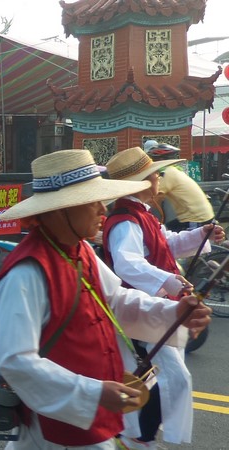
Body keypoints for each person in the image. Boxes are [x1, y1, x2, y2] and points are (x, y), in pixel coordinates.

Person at [0, 150, 212, 449]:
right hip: (58, 428)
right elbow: (16, 361)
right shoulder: (26, 272)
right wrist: (93, 392)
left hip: (89, 416)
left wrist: (174, 312)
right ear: (60, 210)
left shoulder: (80, 250)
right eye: (92, 201)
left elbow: (115, 301)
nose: (102, 209)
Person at [102, 146, 224, 448]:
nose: (159, 178)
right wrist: (168, 280)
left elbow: (166, 243)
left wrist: (201, 235)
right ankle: (138, 436)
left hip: (156, 306)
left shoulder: (142, 215)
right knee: (174, 377)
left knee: (151, 376)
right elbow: (127, 263)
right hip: (141, 308)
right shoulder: (126, 220)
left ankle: (135, 433)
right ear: (143, 182)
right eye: (155, 174)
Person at [143, 140, 213, 232]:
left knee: (164, 235)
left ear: (159, 160)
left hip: (195, 219)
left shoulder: (167, 173)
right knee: (165, 230)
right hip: (199, 215)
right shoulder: (174, 171)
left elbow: (152, 197)